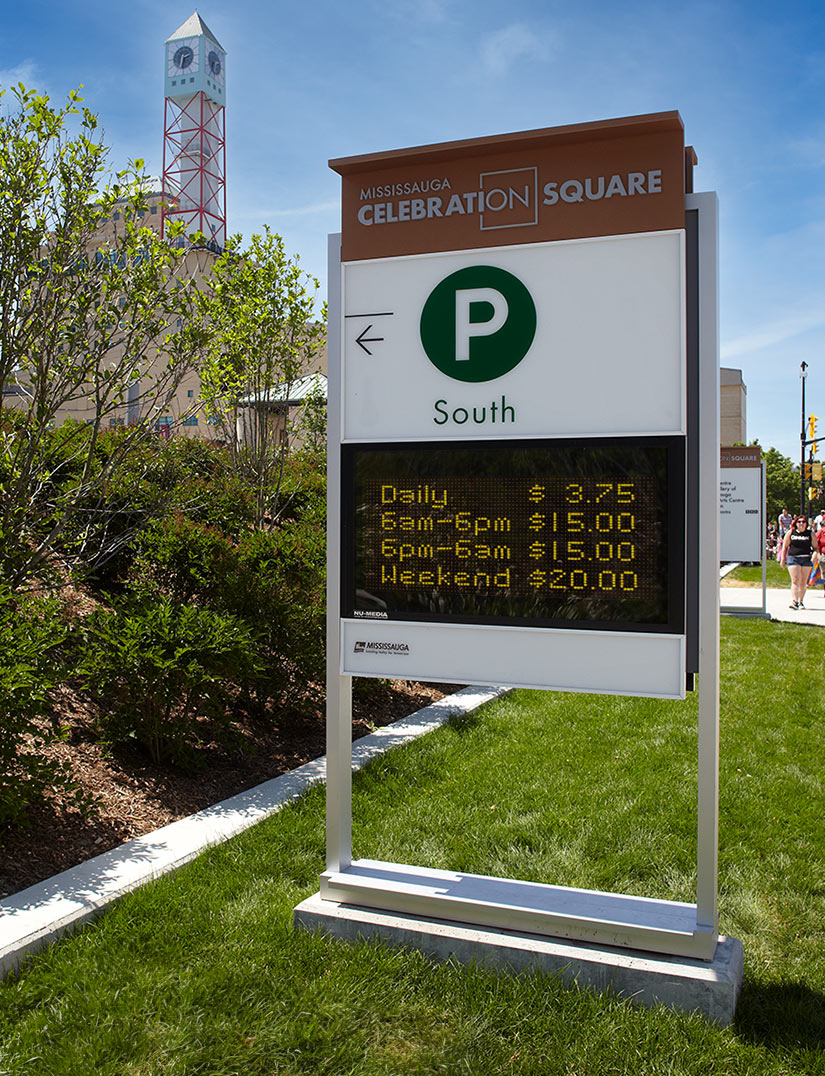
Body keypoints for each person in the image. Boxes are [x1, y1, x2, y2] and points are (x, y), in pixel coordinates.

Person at [779, 514, 814, 609]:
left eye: (803, 522)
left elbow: (815, 547)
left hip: (806, 558)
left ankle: (801, 601)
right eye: (799, 522)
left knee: (803, 581)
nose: (801, 524)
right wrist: (783, 559)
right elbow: (785, 547)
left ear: (806, 524)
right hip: (793, 558)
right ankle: (794, 601)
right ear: (796, 523)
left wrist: (816, 555)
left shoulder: (810, 534)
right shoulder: (791, 533)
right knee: (795, 580)